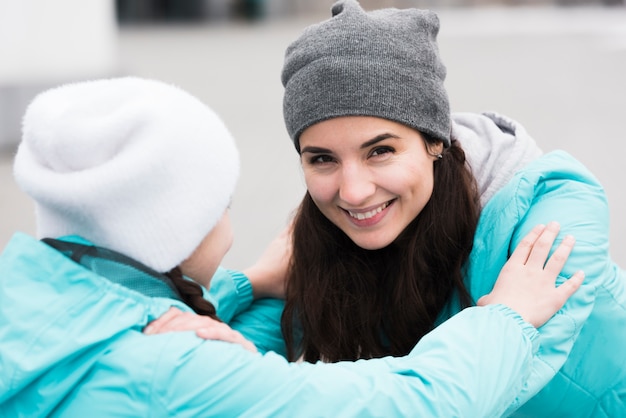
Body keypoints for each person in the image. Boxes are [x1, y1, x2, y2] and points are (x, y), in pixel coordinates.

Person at [0, 76, 582, 416]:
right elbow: (406, 406)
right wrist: (506, 319)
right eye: (221, 201)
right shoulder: (171, 370)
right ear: (182, 225)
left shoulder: (27, 299)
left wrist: (240, 285)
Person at [174, 1, 626, 416]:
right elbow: (202, 378)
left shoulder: (555, 212)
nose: (352, 192)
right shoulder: (332, 235)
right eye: (322, 159)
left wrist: (504, 321)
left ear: (435, 141)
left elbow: (463, 397)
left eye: (380, 151)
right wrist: (247, 284)